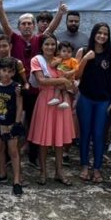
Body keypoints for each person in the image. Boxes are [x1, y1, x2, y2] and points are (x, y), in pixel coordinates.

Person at [0, 0, 67, 164]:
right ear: (19, 26)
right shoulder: (14, 38)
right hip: (16, 89)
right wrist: (0, 8)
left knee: (35, 123)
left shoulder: (39, 40)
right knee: (11, 121)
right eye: (23, 24)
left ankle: (33, 157)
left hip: (36, 90)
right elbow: (5, 25)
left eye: (29, 23)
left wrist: (60, 13)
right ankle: (8, 157)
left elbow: (50, 29)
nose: (26, 26)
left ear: (34, 26)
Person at [27, 34, 74, 185]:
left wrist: (67, 81)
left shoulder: (61, 60)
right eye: (47, 44)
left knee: (59, 139)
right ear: (41, 46)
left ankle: (59, 172)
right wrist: (62, 80)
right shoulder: (37, 60)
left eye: (53, 44)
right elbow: (41, 80)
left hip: (61, 101)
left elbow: (71, 77)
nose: (50, 47)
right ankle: (43, 172)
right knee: (43, 139)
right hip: (45, 100)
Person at [74, 23, 111, 183]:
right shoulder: (83, 51)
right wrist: (85, 59)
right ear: (94, 34)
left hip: (103, 100)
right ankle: (85, 166)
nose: (102, 36)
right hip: (86, 98)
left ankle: (97, 168)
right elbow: (76, 75)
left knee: (99, 135)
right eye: (99, 33)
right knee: (85, 133)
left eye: (105, 34)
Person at [0, 58, 25, 195]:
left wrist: (17, 123)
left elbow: (19, 105)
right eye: (4, 70)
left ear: (14, 72)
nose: (6, 74)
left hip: (10, 123)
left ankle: (17, 180)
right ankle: (2, 174)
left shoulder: (16, 87)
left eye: (10, 71)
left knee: (13, 151)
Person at [49, 42, 78, 109]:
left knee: (61, 88)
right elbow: (51, 65)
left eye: (69, 52)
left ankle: (59, 99)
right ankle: (62, 100)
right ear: (59, 52)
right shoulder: (57, 59)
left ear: (72, 53)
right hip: (60, 78)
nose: (66, 53)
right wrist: (57, 62)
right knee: (62, 89)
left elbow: (76, 68)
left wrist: (70, 72)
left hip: (68, 79)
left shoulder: (72, 60)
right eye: (64, 51)